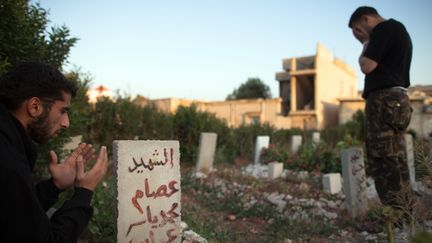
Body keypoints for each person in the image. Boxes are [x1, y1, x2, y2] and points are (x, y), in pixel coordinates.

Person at [0, 62, 108, 242]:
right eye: (63, 111)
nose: (66, 123)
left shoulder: (9, 146)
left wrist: (54, 186)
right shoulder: (8, 162)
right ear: (35, 106)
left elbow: (16, 217)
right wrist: (84, 192)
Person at [348, 7, 413, 213]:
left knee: (383, 160)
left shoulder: (383, 30)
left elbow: (366, 65)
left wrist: (366, 43)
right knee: (395, 157)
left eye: (358, 31)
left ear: (366, 19)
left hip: (384, 100)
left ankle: (396, 217)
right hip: (396, 100)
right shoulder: (397, 29)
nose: (359, 37)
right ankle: (405, 215)